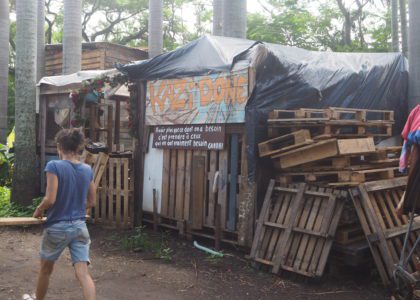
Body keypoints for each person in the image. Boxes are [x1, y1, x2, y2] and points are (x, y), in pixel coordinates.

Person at [30, 128, 96, 300]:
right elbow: (92, 202)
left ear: (59, 147)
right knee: (83, 274)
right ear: (78, 148)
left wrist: (39, 209)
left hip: (57, 228)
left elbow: (50, 199)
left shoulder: (54, 166)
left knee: (45, 270)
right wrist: (75, 207)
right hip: (80, 227)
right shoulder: (87, 169)